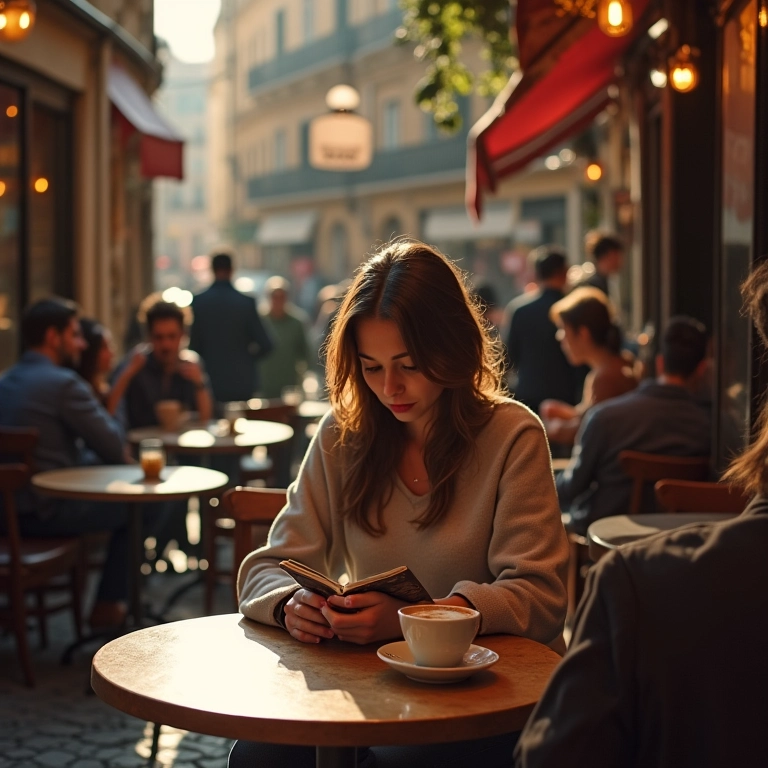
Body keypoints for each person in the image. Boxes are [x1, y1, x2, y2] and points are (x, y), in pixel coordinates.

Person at [231, 240, 569, 767]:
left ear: (452, 348)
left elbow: (541, 594)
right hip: (376, 692)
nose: (390, 388)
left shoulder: (512, 434)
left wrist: (418, 619)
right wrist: (290, 605)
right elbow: (266, 569)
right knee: (258, 758)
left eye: (409, 364)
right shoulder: (343, 435)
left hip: (492, 695)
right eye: (370, 367)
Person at [515, 266, 768, 768]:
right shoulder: (701, 423)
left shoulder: (636, 590)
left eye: (565, 332)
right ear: (704, 368)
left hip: (610, 545)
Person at [0, 298, 132, 628]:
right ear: (52, 336)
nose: (82, 343)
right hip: (44, 514)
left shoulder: (4, 382)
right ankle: (107, 606)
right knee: (139, 509)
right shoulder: (64, 384)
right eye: (74, 334)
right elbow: (114, 447)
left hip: (5, 518)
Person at [557, 316, 711, 536]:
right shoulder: (709, 428)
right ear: (702, 369)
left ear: (659, 364)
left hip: (609, 538)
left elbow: (572, 488)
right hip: (677, 540)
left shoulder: (605, 417)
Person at [540, 287, 638, 447]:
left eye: (563, 330)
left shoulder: (605, 378)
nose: (560, 338)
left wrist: (547, 429)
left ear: (583, 333)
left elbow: (589, 432)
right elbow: (591, 417)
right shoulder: (616, 365)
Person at [503, 247, 583, 417]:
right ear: (563, 272)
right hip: (567, 396)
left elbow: (510, 357)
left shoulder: (519, 310)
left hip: (528, 395)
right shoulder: (574, 309)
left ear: (536, 274)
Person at [111, 300, 213, 429]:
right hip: (142, 444)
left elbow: (206, 419)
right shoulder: (136, 363)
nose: (166, 345)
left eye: (172, 336)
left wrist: (199, 383)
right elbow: (110, 411)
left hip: (180, 445)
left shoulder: (191, 364)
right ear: (148, 337)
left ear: (183, 335)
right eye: (158, 337)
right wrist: (128, 373)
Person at [189, 252, 274, 403]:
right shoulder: (246, 303)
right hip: (241, 381)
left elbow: (194, 346)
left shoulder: (199, 302)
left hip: (210, 380)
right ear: (232, 270)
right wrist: (246, 358)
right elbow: (266, 344)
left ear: (212, 270)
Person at [258, 276, 311, 399]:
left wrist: (304, 379)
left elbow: (305, 353)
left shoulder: (296, 322)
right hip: (265, 385)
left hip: (289, 384)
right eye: (274, 297)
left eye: (281, 297)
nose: (278, 301)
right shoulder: (260, 320)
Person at [76, 318, 116, 407]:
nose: (111, 352)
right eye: (104, 347)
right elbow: (105, 418)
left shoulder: (102, 387)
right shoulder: (80, 390)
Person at [579, 232, 624, 296]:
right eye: (617, 257)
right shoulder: (593, 286)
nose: (620, 261)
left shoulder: (604, 281)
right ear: (607, 256)